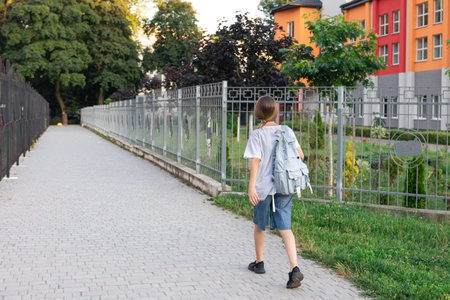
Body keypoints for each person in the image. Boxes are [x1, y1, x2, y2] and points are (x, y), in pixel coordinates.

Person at [243, 95, 305, 289]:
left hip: (263, 188)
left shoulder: (257, 135)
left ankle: (259, 263)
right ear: (275, 112)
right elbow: (300, 155)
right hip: (284, 186)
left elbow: (255, 161)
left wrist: (251, 186)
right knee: (285, 227)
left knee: (259, 224)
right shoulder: (286, 131)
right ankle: (294, 268)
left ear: (259, 112)